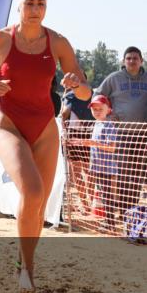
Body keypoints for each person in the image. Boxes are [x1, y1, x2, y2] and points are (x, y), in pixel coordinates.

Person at [0, 0, 91, 291]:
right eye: (30, 3)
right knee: (32, 192)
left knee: (40, 204)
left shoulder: (59, 42)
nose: (36, 10)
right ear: (20, 6)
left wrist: (76, 83)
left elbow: (87, 92)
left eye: (41, 4)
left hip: (45, 128)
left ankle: (23, 263)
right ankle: (28, 273)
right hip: (9, 123)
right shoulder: (0, 39)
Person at [95, 47, 147, 213]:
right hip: (120, 133)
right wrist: (105, 115)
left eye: (135, 58)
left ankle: (131, 209)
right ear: (123, 61)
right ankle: (122, 207)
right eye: (128, 58)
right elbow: (98, 96)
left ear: (141, 61)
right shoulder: (114, 79)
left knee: (137, 172)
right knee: (122, 171)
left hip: (143, 133)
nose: (132, 61)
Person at [74, 94, 118, 232]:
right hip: (98, 166)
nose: (97, 112)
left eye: (100, 109)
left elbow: (112, 147)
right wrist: (83, 142)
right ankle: (108, 220)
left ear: (108, 110)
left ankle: (110, 222)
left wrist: (93, 143)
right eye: (94, 109)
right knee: (104, 194)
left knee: (107, 194)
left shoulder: (109, 125)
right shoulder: (97, 124)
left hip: (106, 167)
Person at [61, 85, 96, 214]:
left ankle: (85, 203)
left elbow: (64, 113)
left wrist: (63, 127)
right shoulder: (92, 93)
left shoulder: (69, 95)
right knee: (88, 170)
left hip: (74, 134)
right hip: (89, 132)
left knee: (77, 171)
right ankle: (90, 202)